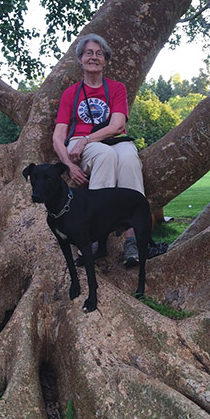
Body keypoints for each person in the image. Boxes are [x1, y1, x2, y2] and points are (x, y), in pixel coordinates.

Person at [52, 33, 145, 266]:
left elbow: (117, 126)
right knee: (105, 155)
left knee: (130, 159)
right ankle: (94, 237)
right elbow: (58, 136)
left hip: (111, 138)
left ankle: (132, 239)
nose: (94, 57)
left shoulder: (116, 89)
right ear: (80, 60)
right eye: (88, 53)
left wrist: (87, 139)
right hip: (81, 145)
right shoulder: (71, 94)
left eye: (99, 54)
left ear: (105, 60)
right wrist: (69, 164)